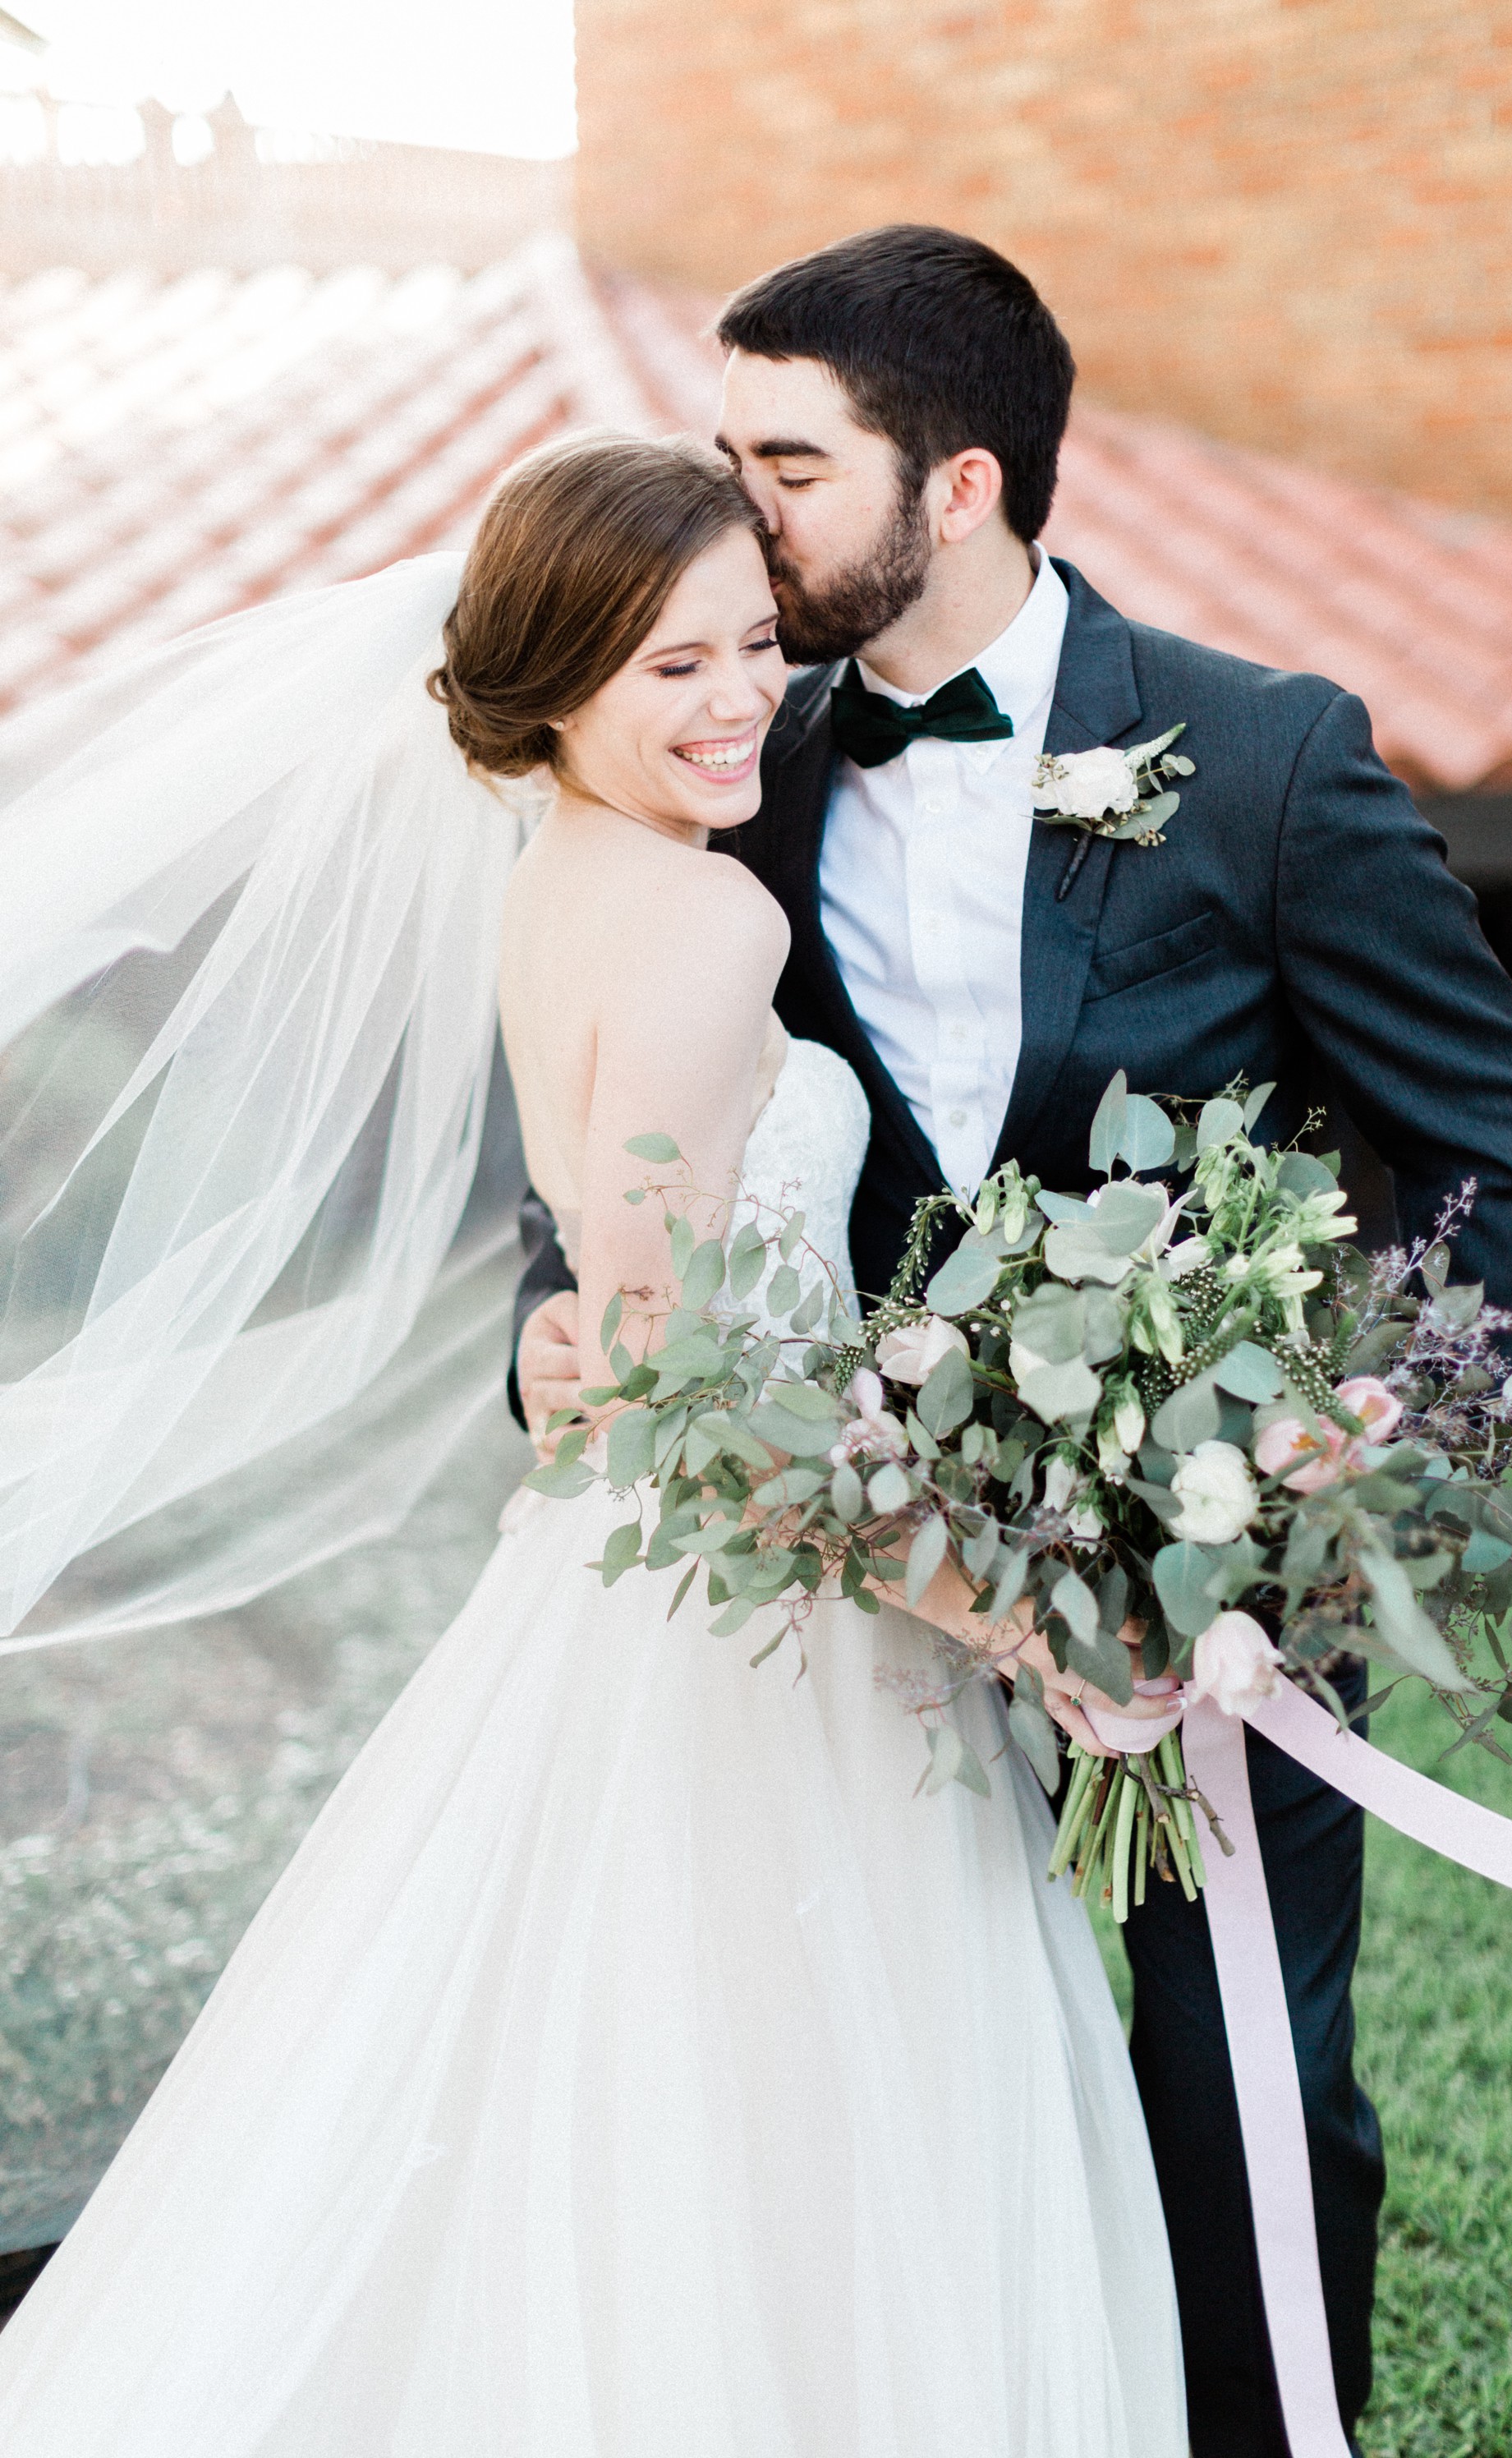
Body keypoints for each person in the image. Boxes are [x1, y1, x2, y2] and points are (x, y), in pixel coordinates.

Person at [0, 431, 1188, 2454]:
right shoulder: (709, 924)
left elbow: (633, 1334)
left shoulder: (564, 883)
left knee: (608, 2087)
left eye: (753, 648)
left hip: (645, 1586)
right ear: (552, 680)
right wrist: (1003, 1604)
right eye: (668, 668)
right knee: (786, 2115)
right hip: (762, 1634)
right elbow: (691, 1392)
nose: (737, 701)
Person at [508, 227, 1512, 2456]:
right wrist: (549, 1326)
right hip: (863, 1594)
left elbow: (1477, 1131)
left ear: (957, 485)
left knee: (1236, 2079)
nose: (743, 511)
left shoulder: (1263, 760)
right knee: (886, 2103)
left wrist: (1387, 1427)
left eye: (787, 463)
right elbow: (634, 1130)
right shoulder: (731, 757)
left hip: (1212, 1582)